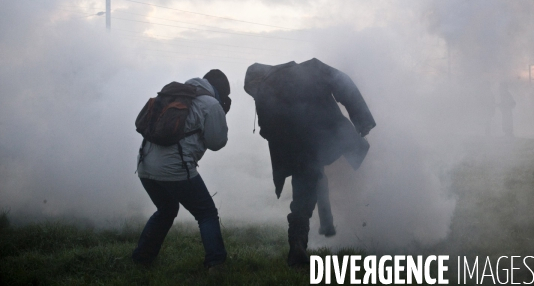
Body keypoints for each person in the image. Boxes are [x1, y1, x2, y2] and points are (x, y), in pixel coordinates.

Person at [244, 58, 376, 266]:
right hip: (325, 138)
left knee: (304, 193)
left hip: (298, 149)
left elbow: (266, 129)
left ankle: (298, 242)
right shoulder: (310, 68)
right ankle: (379, 214)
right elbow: (343, 83)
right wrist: (363, 120)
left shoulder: (265, 90)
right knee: (358, 168)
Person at [132, 69, 231, 270]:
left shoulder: (175, 95)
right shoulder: (211, 104)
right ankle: (216, 263)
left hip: (144, 165)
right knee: (207, 214)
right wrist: (220, 115)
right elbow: (217, 142)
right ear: (219, 92)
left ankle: (142, 259)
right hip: (174, 169)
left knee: (167, 209)